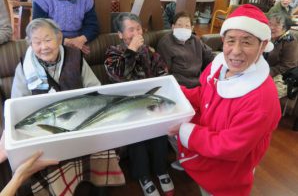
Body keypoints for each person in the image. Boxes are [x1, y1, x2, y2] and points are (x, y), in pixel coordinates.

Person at [171, 4, 281, 196]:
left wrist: (185, 131)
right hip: (205, 163)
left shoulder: (262, 100)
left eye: (247, 42)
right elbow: (204, 94)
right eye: (231, 41)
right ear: (223, 40)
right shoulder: (219, 66)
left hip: (226, 179)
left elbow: (229, 146)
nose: (236, 51)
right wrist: (176, 93)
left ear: (263, 45)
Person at [11, 18, 124, 195]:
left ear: (59, 37)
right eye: (37, 42)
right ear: (30, 44)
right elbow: (18, 106)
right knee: (49, 161)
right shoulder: (24, 68)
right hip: (47, 132)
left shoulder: (75, 57)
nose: (44, 47)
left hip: (82, 122)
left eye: (48, 40)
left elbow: (94, 88)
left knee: (103, 148)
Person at [104, 13, 174, 196]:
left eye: (138, 29)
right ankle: (143, 176)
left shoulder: (149, 51)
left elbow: (163, 73)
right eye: (131, 30)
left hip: (150, 100)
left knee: (159, 129)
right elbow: (119, 77)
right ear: (120, 34)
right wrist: (132, 51)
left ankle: (161, 170)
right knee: (137, 133)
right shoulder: (113, 53)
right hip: (126, 104)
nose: (136, 33)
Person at [157, 11, 214, 88]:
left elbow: (209, 56)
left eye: (187, 25)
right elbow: (165, 71)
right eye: (179, 25)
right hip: (180, 85)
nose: (183, 28)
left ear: (192, 28)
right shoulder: (165, 43)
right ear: (173, 27)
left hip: (201, 82)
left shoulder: (195, 40)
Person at [265, 12, 298, 98]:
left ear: (285, 27)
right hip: (263, 70)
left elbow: (288, 65)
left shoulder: (290, 41)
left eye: (277, 25)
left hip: (280, 75)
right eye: (270, 23)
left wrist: (267, 72)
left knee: (267, 95)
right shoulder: (266, 37)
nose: (271, 27)